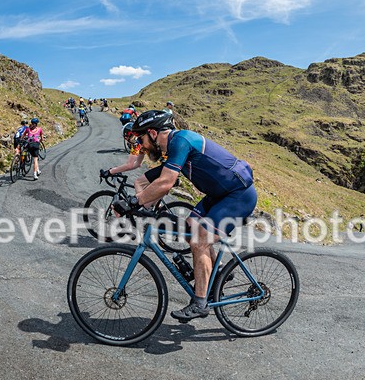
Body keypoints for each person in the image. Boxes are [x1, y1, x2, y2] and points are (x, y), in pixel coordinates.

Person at [112, 110, 256, 322]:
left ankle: (200, 303)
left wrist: (134, 202)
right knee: (190, 230)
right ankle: (219, 273)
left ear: (152, 133)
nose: (141, 145)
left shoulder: (181, 141)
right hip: (219, 195)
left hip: (238, 195)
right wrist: (140, 204)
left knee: (199, 241)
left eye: (141, 138)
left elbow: (166, 182)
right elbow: (148, 181)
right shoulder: (174, 147)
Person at [101, 121, 171, 208]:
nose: (127, 141)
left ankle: (143, 208)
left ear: (129, 134)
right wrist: (116, 170)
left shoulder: (138, 143)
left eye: (126, 137)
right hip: (169, 165)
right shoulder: (142, 142)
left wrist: (110, 171)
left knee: (138, 183)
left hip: (168, 166)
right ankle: (157, 210)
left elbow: (129, 164)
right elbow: (138, 164)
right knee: (151, 194)